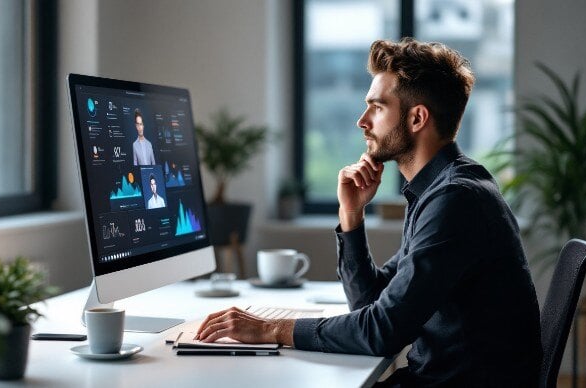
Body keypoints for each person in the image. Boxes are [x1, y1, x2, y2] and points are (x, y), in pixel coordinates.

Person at [196, 38, 542, 386]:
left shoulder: (455, 199)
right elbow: (370, 305)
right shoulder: (440, 190)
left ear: (417, 118)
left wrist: (272, 329)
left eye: (376, 107)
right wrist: (352, 214)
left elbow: (382, 331)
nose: (362, 121)